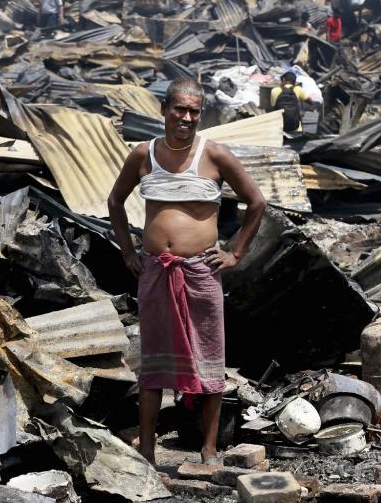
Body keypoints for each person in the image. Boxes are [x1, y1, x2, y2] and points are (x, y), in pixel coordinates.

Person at [107, 78, 265, 465]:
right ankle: (147, 449)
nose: (187, 118)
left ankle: (208, 450)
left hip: (200, 273)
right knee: (154, 362)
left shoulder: (215, 155)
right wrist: (128, 250)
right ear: (164, 109)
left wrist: (235, 253)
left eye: (195, 111)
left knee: (210, 357)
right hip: (157, 272)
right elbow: (114, 201)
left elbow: (256, 203)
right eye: (180, 109)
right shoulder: (143, 155)